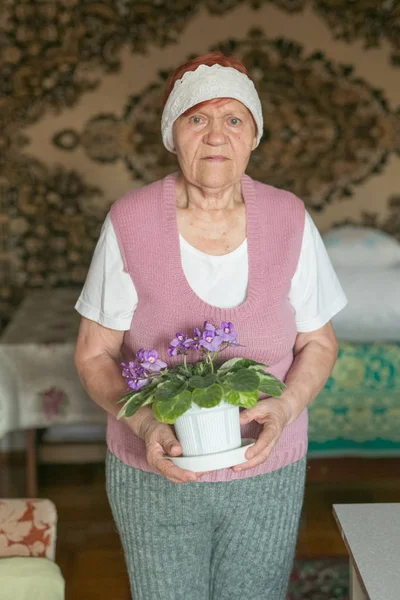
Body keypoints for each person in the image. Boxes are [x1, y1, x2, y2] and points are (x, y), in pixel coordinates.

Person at [74, 52, 347, 600]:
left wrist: (288, 407)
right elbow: (92, 355)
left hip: (267, 475)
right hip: (154, 477)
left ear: (254, 136)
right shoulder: (130, 220)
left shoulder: (290, 217)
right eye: (198, 118)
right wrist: (150, 426)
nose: (217, 134)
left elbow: (318, 341)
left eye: (234, 119)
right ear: (173, 134)